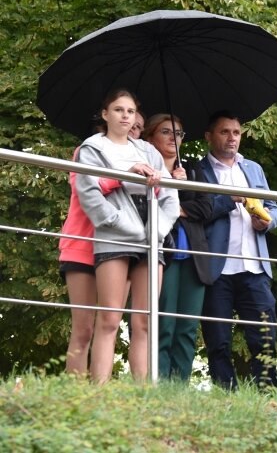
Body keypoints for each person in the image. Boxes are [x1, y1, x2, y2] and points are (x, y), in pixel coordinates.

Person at [74, 89, 180, 383]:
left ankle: (143, 395)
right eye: (119, 110)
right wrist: (121, 222)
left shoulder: (148, 151)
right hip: (114, 236)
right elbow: (89, 195)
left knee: (144, 322)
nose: (125, 116)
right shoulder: (91, 149)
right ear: (105, 114)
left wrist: (156, 230)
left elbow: (171, 197)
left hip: (151, 238)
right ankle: (99, 392)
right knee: (109, 319)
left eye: (130, 111)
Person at [197, 110, 277, 389]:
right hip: (217, 267)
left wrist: (266, 224)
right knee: (218, 339)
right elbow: (197, 212)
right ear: (209, 136)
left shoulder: (254, 169)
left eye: (236, 132)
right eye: (224, 131)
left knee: (265, 337)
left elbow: (274, 208)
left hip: (254, 266)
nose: (232, 137)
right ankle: (226, 396)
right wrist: (227, 199)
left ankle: (269, 394)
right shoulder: (197, 170)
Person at [59, 117, 146, 375]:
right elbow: (84, 187)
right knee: (83, 328)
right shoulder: (86, 151)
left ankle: (102, 392)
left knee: (110, 322)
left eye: (139, 126)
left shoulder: (138, 160)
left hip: (119, 246)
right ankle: (76, 395)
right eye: (129, 121)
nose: (132, 127)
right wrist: (122, 176)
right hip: (84, 244)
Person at [143, 114, 213, 381]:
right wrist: (170, 188)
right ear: (150, 137)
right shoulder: (145, 171)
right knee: (164, 324)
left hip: (195, 259)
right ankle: (158, 385)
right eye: (166, 132)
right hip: (164, 254)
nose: (174, 138)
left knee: (187, 328)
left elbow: (207, 207)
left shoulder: (195, 171)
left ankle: (179, 389)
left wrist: (181, 192)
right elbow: (147, 208)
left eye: (179, 133)